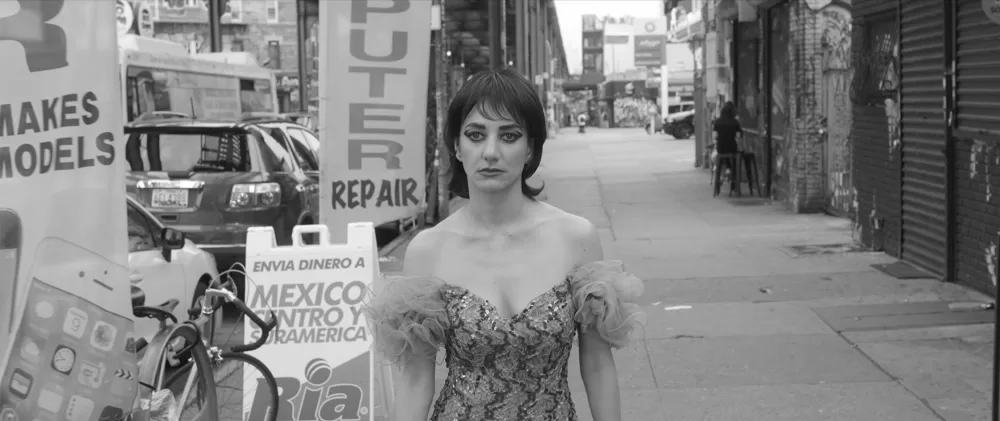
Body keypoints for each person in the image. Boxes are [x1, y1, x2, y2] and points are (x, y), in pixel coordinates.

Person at [365, 68, 646, 421]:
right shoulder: (427, 250)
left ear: (530, 148)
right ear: (456, 145)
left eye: (509, 135)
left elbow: (598, 365)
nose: (491, 152)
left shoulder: (577, 238)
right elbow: (415, 382)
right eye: (475, 135)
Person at [712, 101, 743, 192]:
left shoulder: (718, 121)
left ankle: (722, 174)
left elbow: (715, 137)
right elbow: (738, 137)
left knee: (719, 157)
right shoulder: (735, 122)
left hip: (721, 148)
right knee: (734, 161)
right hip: (732, 148)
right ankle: (734, 183)